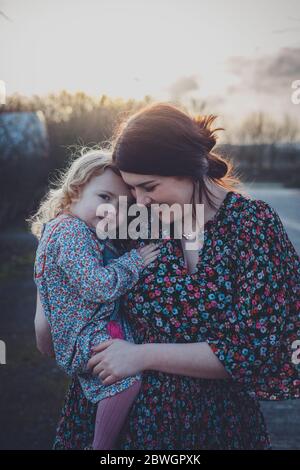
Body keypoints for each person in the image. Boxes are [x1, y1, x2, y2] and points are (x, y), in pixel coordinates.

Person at [50, 103, 299, 450]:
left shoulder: (252, 225)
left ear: (187, 168)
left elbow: (255, 349)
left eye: (149, 186)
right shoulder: (134, 221)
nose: (140, 199)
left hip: (214, 426)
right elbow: (66, 265)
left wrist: (141, 355)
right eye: (133, 188)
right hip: (117, 420)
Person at [30, 149, 160, 450]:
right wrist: (134, 262)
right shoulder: (70, 232)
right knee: (125, 379)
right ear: (75, 191)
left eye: (122, 204)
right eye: (104, 197)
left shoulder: (76, 228)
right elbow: (97, 285)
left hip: (85, 329)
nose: (112, 210)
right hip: (83, 336)